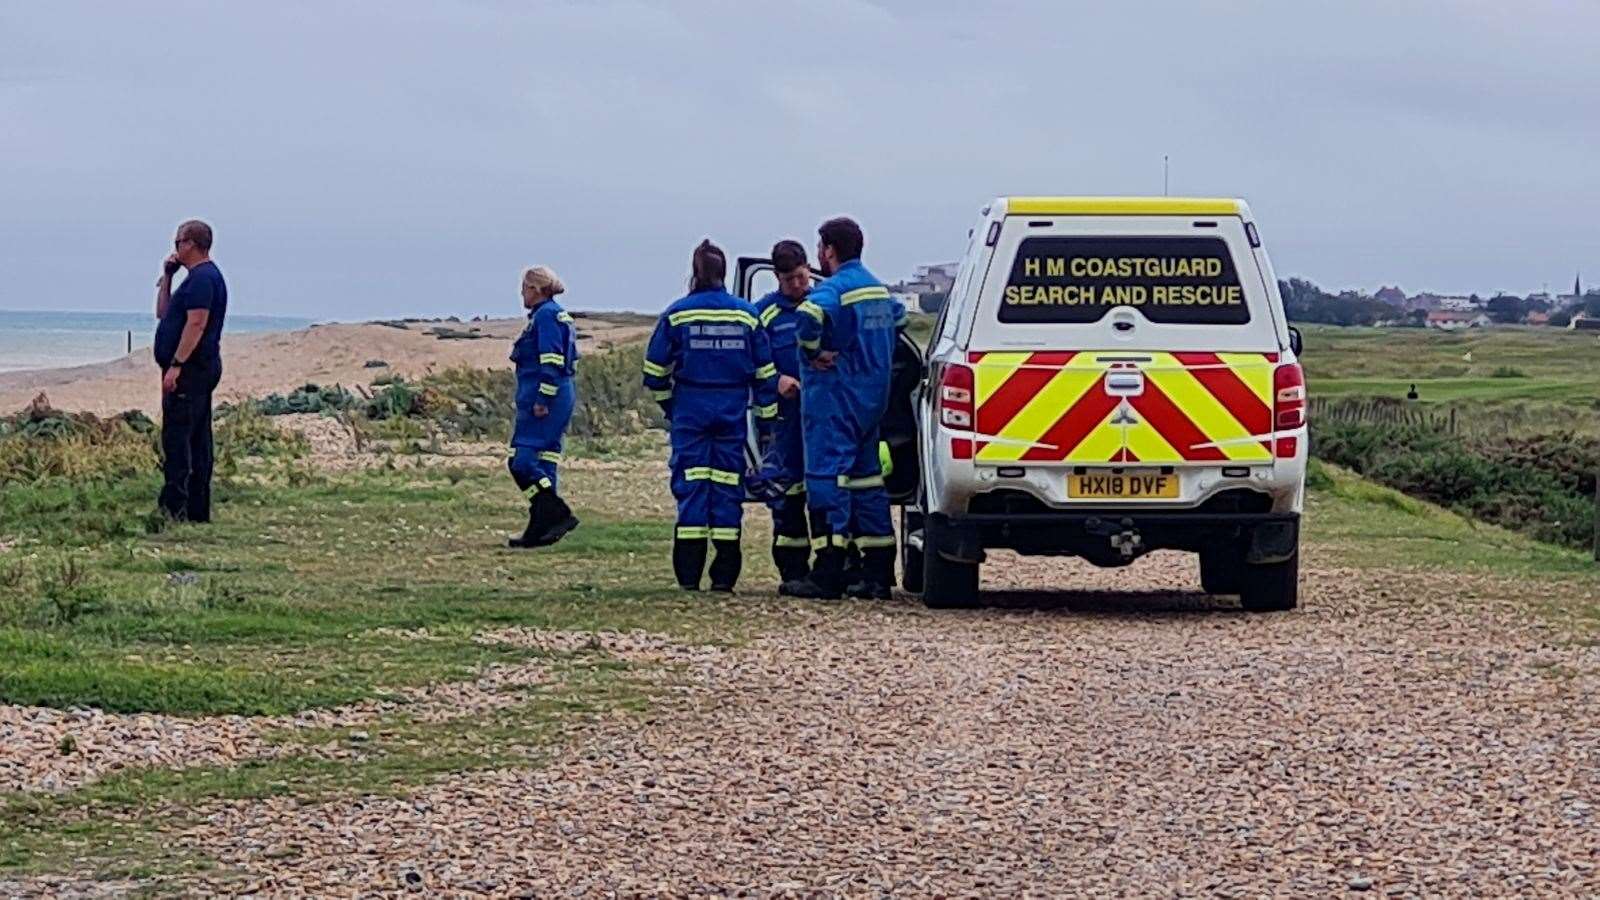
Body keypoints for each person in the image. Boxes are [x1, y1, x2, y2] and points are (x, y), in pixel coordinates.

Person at [781, 217, 905, 601]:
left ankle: (829, 572)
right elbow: (900, 318)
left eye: (820, 247)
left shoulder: (834, 289)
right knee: (867, 481)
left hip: (835, 401)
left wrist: (814, 352)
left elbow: (808, 317)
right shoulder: (877, 290)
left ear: (829, 250)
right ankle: (878, 573)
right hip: (872, 401)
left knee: (826, 480)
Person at [642, 240, 778, 591]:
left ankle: (688, 575)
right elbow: (765, 374)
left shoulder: (678, 314)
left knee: (691, 484)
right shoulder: (746, 314)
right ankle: (724, 574)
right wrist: (766, 423)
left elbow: (654, 369)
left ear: (696, 271)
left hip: (691, 409)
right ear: (725, 271)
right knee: (728, 485)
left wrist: (670, 405)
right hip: (732, 410)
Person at [750, 240, 825, 588]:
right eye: (791, 279)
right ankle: (793, 571)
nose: (799, 285)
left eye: (802, 276)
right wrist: (776, 380)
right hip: (783, 418)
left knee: (825, 488)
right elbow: (752, 361)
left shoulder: (823, 303)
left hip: (823, 415)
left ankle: (831, 569)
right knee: (787, 494)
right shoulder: (763, 314)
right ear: (777, 278)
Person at [154, 219, 227, 523]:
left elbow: (196, 323)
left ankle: (177, 507)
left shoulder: (203, 279)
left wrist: (177, 365)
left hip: (192, 370)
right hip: (195, 369)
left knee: (180, 439)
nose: (175, 249)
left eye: (178, 243)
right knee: (195, 438)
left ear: (191, 244)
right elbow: (163, 313)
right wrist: (167, 277)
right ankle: (195, 510)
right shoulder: (192, 279)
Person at [506, 265, 581, 548]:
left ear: (536, 289)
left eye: (524, 287)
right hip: (553, 395)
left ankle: (556, 512)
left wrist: (543, 399)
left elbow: (551, 361)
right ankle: (541, 527)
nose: (521, 293)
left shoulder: (547, 316)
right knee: (545, 461)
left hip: (545, 397)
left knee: (522, 461)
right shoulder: (551, 314)